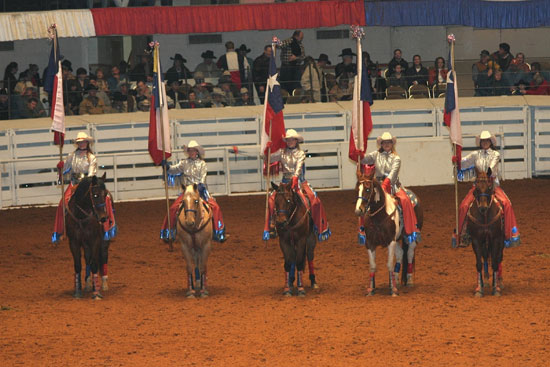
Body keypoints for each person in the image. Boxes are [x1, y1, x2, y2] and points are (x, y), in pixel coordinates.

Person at [453, 130, 520, 248]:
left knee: (507, 204)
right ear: (481, 142)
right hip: (478, 186)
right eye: (483, 141)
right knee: (464, 206)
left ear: (490, 142)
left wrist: (488, 172)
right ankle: (462, 234)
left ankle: (509, 234)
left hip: (492, 185)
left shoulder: (495, 154)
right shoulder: (474, 155)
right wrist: (457, 160)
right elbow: (463, 163)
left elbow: (492, 166)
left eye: (487, 140)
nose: (485, 143)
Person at [262, 129, 331, 242]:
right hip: (285, 183)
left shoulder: (301, 153)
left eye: (292, 139)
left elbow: (299, 167)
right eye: (288, 139)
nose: (290, 141)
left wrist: (295, 177)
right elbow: (267, 159)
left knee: (315, 201)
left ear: (296, 141)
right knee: (271, 200)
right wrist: (267, 150)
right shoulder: (281, 152)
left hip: (299, 182)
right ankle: (272, 226)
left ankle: (317, 226)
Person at [52, 132, 116, 244]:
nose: (82, 144)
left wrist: (86, 183)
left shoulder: (91, 157)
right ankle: (62, 231)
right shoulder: (71, 156)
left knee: (105, 200)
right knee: (62, 204)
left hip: (87, 184)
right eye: (80, 142)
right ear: (77, 144)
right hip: (74, 184)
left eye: (84, 141)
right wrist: (61, 167)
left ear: (87, 143)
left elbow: (92, 173)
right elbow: (66, 171)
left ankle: (107, 229)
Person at [358, 132, 420, 245]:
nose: (387, 144)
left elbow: (393, 173)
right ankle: (363, 230)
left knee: (405, 201)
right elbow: (363, 160)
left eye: (389, 142)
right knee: (364, 202)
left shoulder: (396, 158)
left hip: (393, 186)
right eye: (384, 142)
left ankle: (409, 229)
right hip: (377, 185)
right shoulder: (375, 155)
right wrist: (359, 154)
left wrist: (386, 183)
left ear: (392, 144)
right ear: (381, 144)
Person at [160, 140, 226, 242]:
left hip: (200, 190)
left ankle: (218, 232)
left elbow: (203, 179)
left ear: (197, 152)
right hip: (187, 192)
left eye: (193, 150)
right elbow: (174, 170)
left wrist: (199, 187)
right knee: (173, 208)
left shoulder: (202, 164)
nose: (191, 152)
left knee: (215, 208)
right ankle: (169, 233)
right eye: (189, 150)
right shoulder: (184, 163)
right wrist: (167, 166)